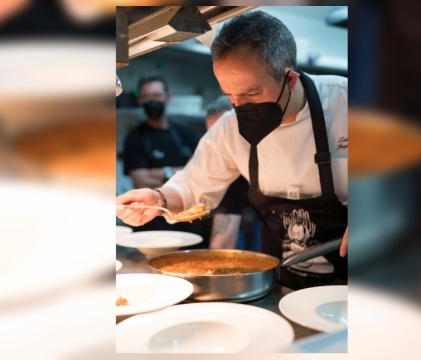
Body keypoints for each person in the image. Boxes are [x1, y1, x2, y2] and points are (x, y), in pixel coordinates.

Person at [117, 10, 348, 288]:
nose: (240, 107)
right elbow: (192, 186)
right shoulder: (229, 127)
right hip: (286, 279)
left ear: (290, 79)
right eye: (231, 96)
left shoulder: (346, 102)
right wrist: (159, 199)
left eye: (252, 93)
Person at [121, 75, 201, 234]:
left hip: (187, 218)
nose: (152, 101)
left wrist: (159, 172)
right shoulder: (135, 137)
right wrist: (182, 172)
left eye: (156, 96)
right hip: (150, 221)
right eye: (146, 96)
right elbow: (141, 180)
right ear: (140, 101)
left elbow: (199, 174)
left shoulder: (186, 133)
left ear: (167, 97)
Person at [203, 96, 253, 249]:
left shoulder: (258, 155)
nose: (217, 143)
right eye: (211, 136)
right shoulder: (213, 160)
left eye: (221, 135)